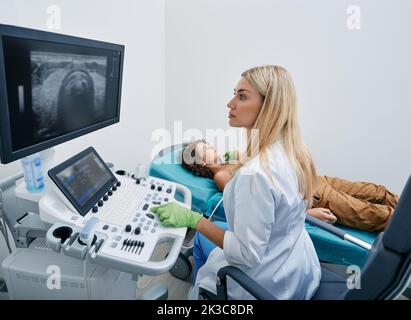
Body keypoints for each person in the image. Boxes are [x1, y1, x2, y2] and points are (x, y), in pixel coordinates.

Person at [150, 65, 321, 299]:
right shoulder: (295, 152)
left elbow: (246, 254)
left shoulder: (257, 174)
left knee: (201, 239)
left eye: (242, 96)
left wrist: (194, 219)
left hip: (267, 282)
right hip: (297, 266)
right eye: (235, 94)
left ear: (268, 106)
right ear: (200, 165)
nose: (230, 103)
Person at [181, 140, 398, 232]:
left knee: (377, 191)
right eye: (206, 148)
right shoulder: (221, 176)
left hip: (313, 179)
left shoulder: (229, 161)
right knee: (374, 215)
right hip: (310, 196)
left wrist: (242, 154)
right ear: (200, 162)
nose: (212, 146)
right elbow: (259, 201)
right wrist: (307, 213)